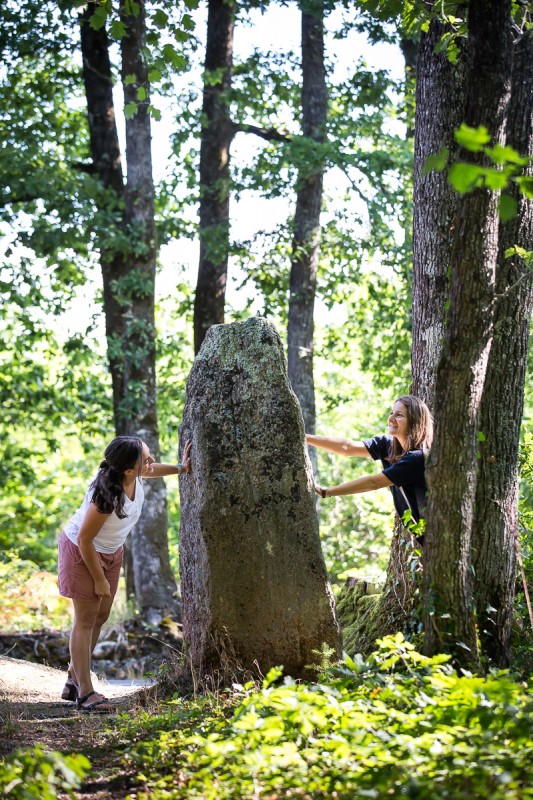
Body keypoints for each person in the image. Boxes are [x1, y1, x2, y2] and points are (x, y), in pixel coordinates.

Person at [58, 436, 191, 713]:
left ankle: (73, 677)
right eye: (146, 459)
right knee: (84, 620)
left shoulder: (133, 474)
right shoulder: (107, 495)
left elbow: (153, 470)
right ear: (129, 469)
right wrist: (98, 579)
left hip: (111, 552)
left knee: (101, 616)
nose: (151, 462)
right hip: (83, 552)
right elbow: (84, 539)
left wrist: (182, 467)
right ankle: (85, 692)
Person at [306, 395, 433, 531]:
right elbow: (347, 447)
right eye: (391, 413)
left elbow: (373, 483)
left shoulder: (417, 458)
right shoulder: (387, 446)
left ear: (414, 421)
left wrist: (327, 492)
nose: (391, 419)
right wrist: (305, 438)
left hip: (435, 532)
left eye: (399, 415)